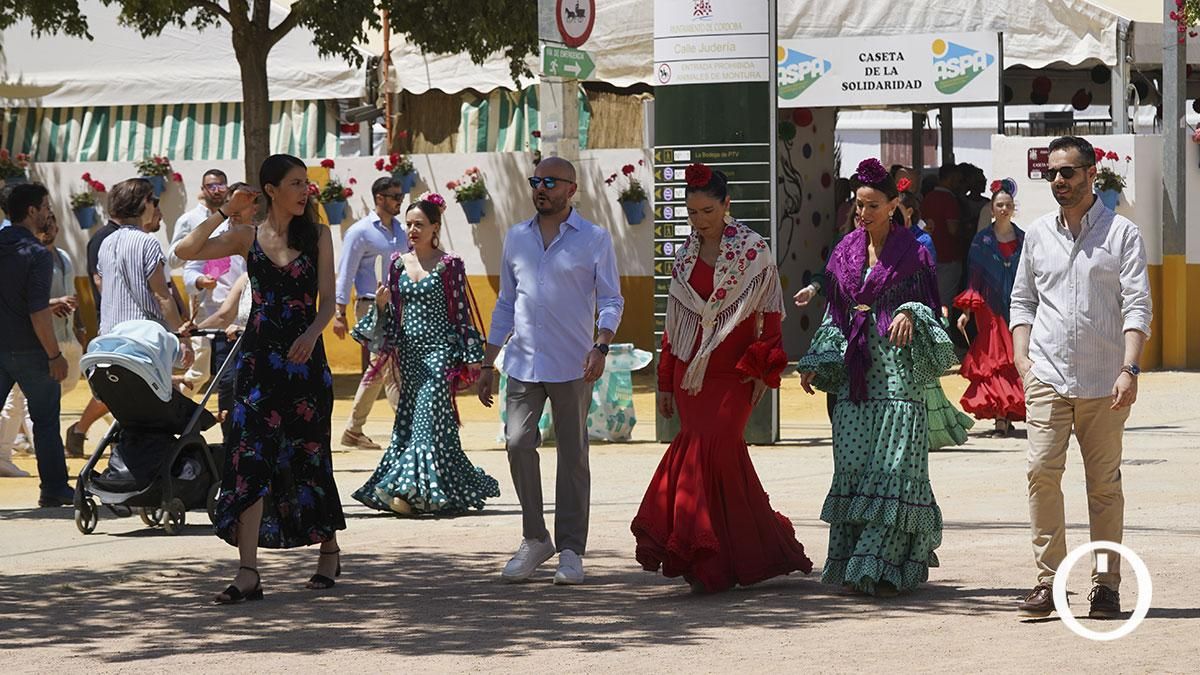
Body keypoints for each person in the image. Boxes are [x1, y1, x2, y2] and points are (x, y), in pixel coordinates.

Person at [631, 163, 813, 594]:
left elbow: (770, 316)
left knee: (716, 449)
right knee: (716, 458)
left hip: (737, 371)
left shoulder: (755, 250)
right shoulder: (683, 257)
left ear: (727, 205)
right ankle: (723, 558)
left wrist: (763, 368)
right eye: (693, 213)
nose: (700, 221)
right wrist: (664, 381)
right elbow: (673, 328)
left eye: (708, 211)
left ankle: (710, 558)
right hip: (690, 375)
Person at [174, 154, 345, 604]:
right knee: (249, 460)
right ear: (270, 190)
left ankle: (328, 550)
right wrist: (225, 209)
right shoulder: (244, 236)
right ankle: (248, 571)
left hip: (306, 364)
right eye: (294, 182)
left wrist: (311, 333)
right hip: (257, 366)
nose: (305, 189)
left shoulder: (320, 236)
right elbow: (185, 252)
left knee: (309, 457)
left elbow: (328, 302)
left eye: (305, 182)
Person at [797, 158, 959, 597]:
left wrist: (908, 311)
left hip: (898, 376)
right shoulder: (844, 249)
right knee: (853, 465)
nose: (863, 214)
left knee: (893, 466)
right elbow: (834, 313)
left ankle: (883, 565)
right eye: (858, 206)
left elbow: (931, 305)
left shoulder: (916, 250)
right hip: (855, 373)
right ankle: (854, 562)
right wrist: (816, 358)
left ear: (893, 205)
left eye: (872, 205)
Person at [1010, 136, 1152, 620]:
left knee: (1104, 486)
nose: (1058, 181)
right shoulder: (1037, 234)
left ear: (1092, 174)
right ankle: (1048, 582)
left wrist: (1129, 369)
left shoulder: (1122, 235)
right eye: (1052, 173)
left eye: (1067, 172)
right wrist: (1021, 360)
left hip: (1104, 381)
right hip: (1047, 375)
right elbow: (1023, 300)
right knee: (1040, 475)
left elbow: (1137, 305)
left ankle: (1107, 586)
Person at [477, 156, 624, 585]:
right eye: (536, 180)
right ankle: (535, 538)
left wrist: (602, 344)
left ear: (571, 189)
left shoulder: (594, 239)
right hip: (522, 360)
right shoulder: (516, 238)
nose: (541, 188)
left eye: (550, 182)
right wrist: (488, 361)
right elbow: (506, 302)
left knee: (573, 455)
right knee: (518, 442)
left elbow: (612, 299)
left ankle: (572, 550)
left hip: (572, 362)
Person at [350, 193, 500, 515]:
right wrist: (378, 305)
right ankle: (448, 489)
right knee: (422, 423)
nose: (413, 230)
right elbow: (391, 315)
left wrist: (473, 358)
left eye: (420, 224)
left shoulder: (450, 265)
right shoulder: (396, 263)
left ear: (435, 227)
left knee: (425, 419)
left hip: (440, 354)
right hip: (409, 355)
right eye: (409, 224)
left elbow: (461, 314)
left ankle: (408, 493)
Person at [0, 183, 71, 504]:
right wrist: (54, 354)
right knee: (44, 422)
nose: (47, 212)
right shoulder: (38, 255)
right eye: (44, 206)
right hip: (30, 350)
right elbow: (37, 312)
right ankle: (54, 489)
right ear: (31, 211)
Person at [333, 176, 408, 451]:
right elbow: (346, 271)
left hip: (397, 306)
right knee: (388, 364)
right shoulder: (360, 231)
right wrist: (339, 312)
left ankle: (353, 429)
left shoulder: (401, 230)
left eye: (401, 195)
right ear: (379, 198)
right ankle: (407, 426)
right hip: (370, 305)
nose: (400, 200)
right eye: (395, 196)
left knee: (378, 367)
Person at [954, 178, 1025, 437]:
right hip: (990, 311)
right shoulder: (981, 241)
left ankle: (1008, 410)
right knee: (994, 361)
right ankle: (999, 416)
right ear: (992, 209)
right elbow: (973, 278)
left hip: (1017, 308)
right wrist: (966, 312)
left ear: (1013, 208)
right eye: (999, 205)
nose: (1004, 209)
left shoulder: (1024, 239)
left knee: (1015, 359)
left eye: (1008, 205)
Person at [168, 169, 231, 392]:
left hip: (230, 303)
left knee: (227, 368)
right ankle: (177, 408)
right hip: (202, 304)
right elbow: (173, 259)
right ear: (203, 190)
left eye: (221, 185)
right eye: (211, 186)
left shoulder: (232, 220)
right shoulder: (189, 220)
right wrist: (195, 249)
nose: (217, 191)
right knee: (200, 369)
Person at [922, 164, 964, 316]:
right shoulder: (949, 199)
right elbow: (953, 229)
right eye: (958, 181)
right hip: (949, 257)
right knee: (945, 304)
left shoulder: (927, 198)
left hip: (931, 257)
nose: (960, 185)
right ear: (951, 178)